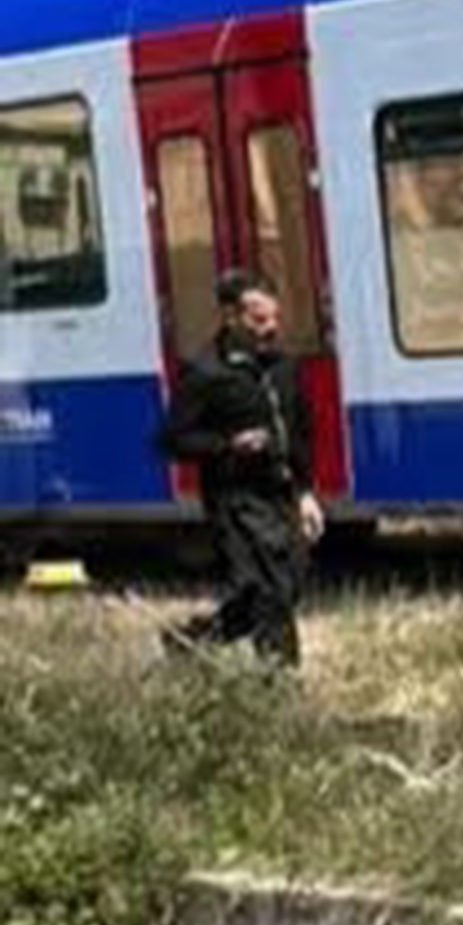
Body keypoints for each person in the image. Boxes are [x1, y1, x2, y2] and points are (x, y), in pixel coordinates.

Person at [159, 269, 323, 668]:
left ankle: (193, 638)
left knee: (289, 585)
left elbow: (301, 430)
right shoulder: (205, 374)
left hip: (282, 492)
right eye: (259, 320)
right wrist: (228, 445)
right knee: (271, 589)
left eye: (274, 318)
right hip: (237, 499)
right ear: (231, 318)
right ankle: (279, 682)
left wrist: (305, 492)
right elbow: (174, 441)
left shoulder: (283, 366)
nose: (270, 329)